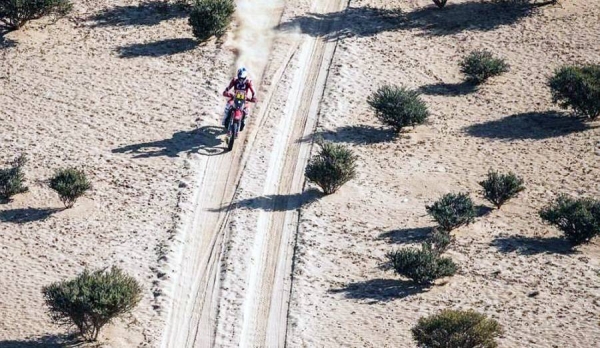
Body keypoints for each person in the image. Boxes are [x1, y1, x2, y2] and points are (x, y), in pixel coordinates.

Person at [222, 67, 257, 131]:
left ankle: (243, 122)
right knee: (228, 106)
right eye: (240, 78)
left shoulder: (248, 82)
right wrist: (226, 91)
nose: (241, 80)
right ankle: (224, 120)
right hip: (235, 97)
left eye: (242, 78)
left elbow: (253, 90)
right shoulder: (235, 80)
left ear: (245, 77)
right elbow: (229, 87)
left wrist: (254, 96)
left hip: (244, 98)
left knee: (247, 110)